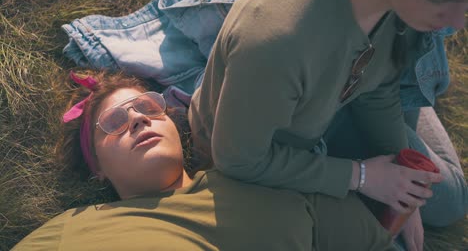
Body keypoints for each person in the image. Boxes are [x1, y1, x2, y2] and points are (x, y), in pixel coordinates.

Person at [188, 0, 467, 250]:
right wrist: (361, 176)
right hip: (266, 145)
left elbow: (377, 88)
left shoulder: (393, 6)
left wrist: (402, 171)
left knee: (448, 202)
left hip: (327, 108)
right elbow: (238, 160)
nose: (457, 22)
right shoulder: (277, 42)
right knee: (446, 202)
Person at [13, 71, 398, 250]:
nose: (137, 118)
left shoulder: (256, 173)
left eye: (147, 107)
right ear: (96, 167)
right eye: (114, 122)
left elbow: (373, 243)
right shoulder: (73, 232)